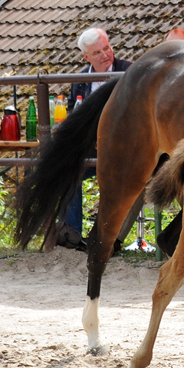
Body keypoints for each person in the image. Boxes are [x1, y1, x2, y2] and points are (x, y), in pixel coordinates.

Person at [58, 28, 132, 249]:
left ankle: (105, 237)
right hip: (92, 148)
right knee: (68, 168)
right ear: (86, 56)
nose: (105, 55)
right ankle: (71, 233)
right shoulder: (80, 79)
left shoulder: (129, 73)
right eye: (97, 52)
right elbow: (73, 113)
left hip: (124, 149)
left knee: (121, 181)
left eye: (107, 48)